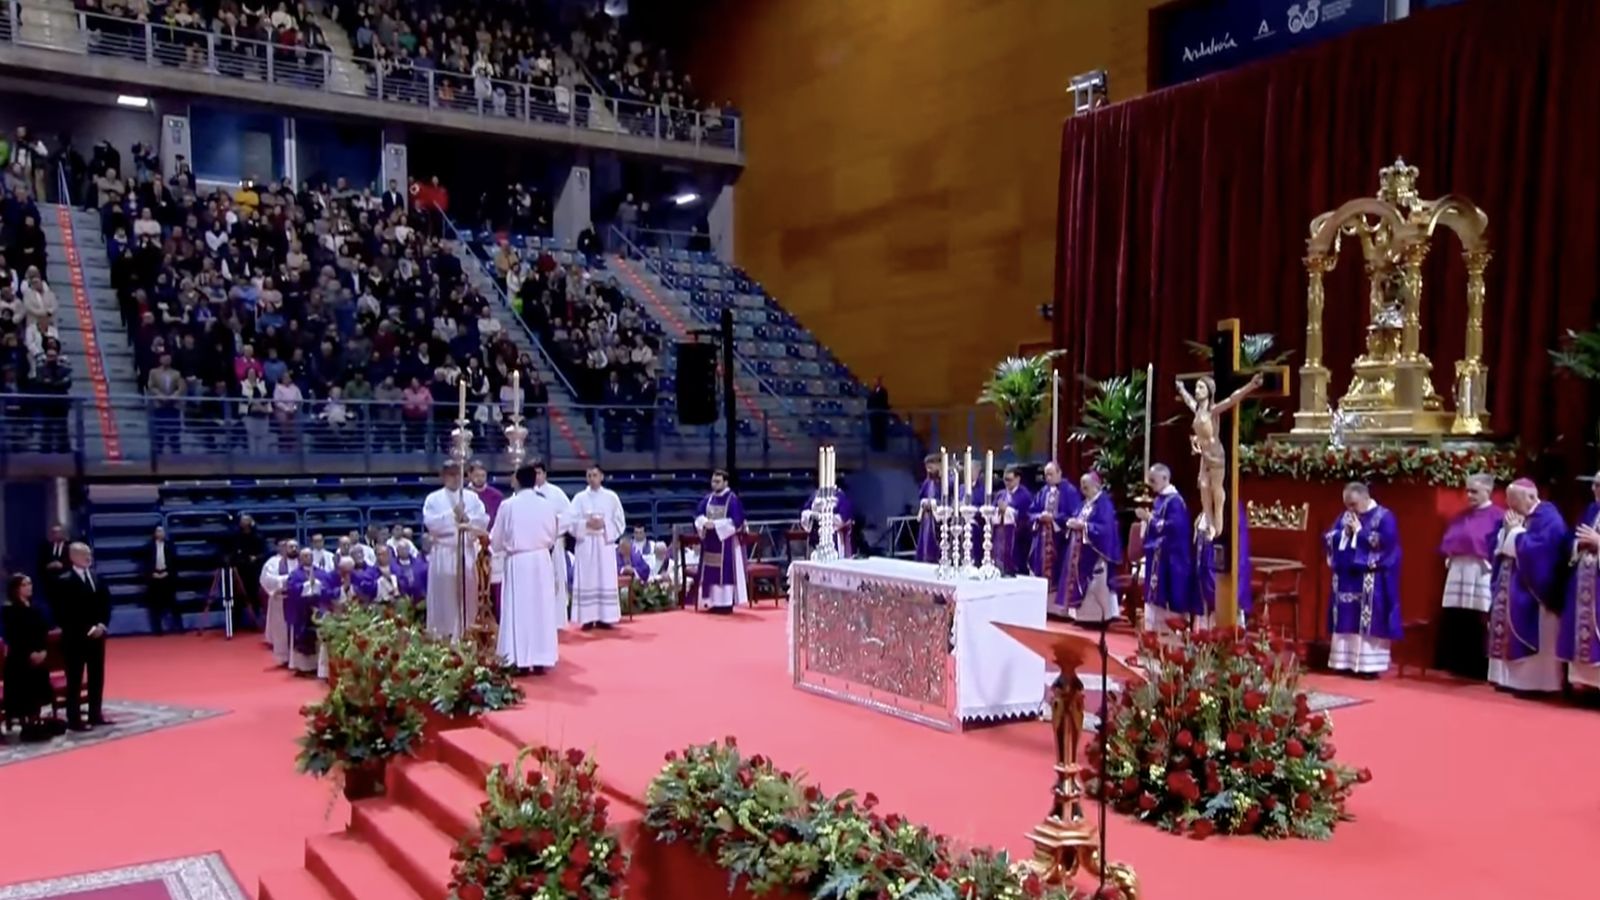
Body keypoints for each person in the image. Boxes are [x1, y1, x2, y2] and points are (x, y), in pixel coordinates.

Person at [1486, 478, 1566, 694]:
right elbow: (1495, 543)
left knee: (1536, 635)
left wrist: (1515, 533)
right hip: (1512, 586)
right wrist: (1505, 532)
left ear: (1532, 497)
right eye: (1508, 501)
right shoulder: (1518, 516)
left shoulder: (1549, 518)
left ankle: (1538, 684)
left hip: (1535, 593)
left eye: (1515, 501)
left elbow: (1544, 552)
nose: (1510, 507)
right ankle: (1509, 680)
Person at [1323, 482, 1403, 678]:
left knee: (1368, 621)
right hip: (1347, 578)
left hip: (1372, 579)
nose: (1350, 510)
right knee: (1346, 618)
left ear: (1366, 498)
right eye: (1347, 505)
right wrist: (1343, 534)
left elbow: (1387, 544)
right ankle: (1343, 663)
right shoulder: (1346, 516)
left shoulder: (1384, 516)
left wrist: (1360, 532)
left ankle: (1367, 667)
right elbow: (1330, 536)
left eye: (1354, 505)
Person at [492, 464, 563, 674]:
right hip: (541, 559)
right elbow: (552, 535)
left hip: (518, 560)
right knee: (541, 609)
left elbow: (497, 539)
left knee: (520, 610)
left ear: (518, 480)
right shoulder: (547, 505)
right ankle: (542, 658)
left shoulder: (508, 505)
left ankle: (519, 659)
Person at [1175, 372, 1264, 539]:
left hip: (1216, 456)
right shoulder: (1196, 410)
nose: (1197, 390)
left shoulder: (1213, 411)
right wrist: (1181, 389)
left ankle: (1218, 523)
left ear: (1209, 391)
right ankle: (1208, 521)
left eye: (1201, 387)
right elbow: (1188, 400)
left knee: (1216, 489)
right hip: (1204, 456)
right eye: (1196, 387)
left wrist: (1251, 385)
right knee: (1203, 486)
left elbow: (1232, 399)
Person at [1435, 474, 1502, 679]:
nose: (1469, 495)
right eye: (1468, 490)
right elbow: (1450, 541)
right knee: (1457, 615)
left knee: (1478, 619)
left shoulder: (1498, 516)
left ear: (1488, 491)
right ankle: (1456, 663)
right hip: (1458, 569)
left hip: (1480, 571)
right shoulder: (1461, 516)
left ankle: (1477, 667)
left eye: (1474, 491)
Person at [422, 461, 490, 640]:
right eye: (450, 474)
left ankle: (467, 631)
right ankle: (443, 634)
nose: (454, 478)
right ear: (443, 476)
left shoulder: (472, 497)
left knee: (467, 594)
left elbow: (482, 521)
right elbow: (431, 524)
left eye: (457, 474)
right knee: (444, 596)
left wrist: (467, 520)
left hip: (465, 551)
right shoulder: (433, 499)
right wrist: (452, 514)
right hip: (444, 552)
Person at [55, 543, 112, 730]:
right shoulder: (63, 581)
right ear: (73, 557)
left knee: (97, 676)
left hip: (97, 637)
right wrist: (88, 629)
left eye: (89, 554)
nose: (89, 557)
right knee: (75, 679)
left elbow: (106, 604)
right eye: (84, 554)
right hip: (75, 639)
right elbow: (64, 613)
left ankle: (95, 713)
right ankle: (74, 718)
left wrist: (102, 625)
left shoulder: (97, 577)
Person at [2, 574, 62, 741]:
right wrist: (30, 653)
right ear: (16, 588)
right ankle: (26, 725)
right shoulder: (10, 610)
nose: (29, 586)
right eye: (24, 584)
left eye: (30, 583)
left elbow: (43, 632)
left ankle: (37, 722)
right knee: (24, 690)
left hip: (39, 657)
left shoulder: (35, 609)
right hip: (20, 659)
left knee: (39, 688)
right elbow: (14, 636)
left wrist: (43, 651)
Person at [565, 464, 625, 630]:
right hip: (586, 544)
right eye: (589, 475)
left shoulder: (611, 497)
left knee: (605, 578)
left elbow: (620, 522)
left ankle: (606, 617)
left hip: (604, 544)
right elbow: (570, 522)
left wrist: (604, 524)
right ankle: (587, 618)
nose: (592, 478)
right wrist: (586, 523)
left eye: (595, 475)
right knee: (587, 579)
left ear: (602, 477)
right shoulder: (579, 498)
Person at [1137, 463, 1195, 633]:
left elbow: (1176, 528)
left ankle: (1168, 634)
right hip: (1158, 555)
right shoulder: (1160, 498)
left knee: (1168, 596)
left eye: (1153, 480)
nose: (1151, 484)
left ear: (1165, 478)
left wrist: (1149, 519)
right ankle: (1154, 633)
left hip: (1171, 558)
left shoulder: (1175, 501)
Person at [1057, 472, 1121, 625]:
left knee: (1096, 584)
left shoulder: (1104, 504)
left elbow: (1106, 529)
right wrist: (1071, 522)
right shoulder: (1085, 503)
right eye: (1082, 485)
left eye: (1086, 485)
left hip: (1095, 553)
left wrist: (1084, 526)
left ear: (1096, 485)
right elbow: (1076, 516)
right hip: (1079, 549)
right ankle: (1082, 616)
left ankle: (1100, 617)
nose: (1083, 488)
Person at [1559, 471, 1600, 690]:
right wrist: (1579, 545)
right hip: (1584, 581)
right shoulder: (1591, 510)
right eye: (1594, 485)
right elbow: (1573, 540)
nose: (1594, 490)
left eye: (1599, 486)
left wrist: (1598, 542)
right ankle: (1585, 686)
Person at [695, 468, 748, 613]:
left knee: (725, 571)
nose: (714, 484)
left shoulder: (732, 500)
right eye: (713, 481)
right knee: (710, 571)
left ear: (725, 482)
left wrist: (716, 525)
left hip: (726, 542)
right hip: (710, 542)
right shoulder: (708, 499)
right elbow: (698, 514)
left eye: (718, 482)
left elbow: (736, 521)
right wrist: (704, 522)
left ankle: (725, 603)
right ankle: (711, 602)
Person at [530, 460, 571, 616]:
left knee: (556, 579)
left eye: (539, 473)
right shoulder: (526, 493)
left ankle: (558, 617)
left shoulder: (556, 493)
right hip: (534, 545)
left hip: (554, 541)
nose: (537, 477)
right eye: (534, 473)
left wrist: (553, 527)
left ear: (545, 474)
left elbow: (568, 515)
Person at [1030, 462, 1082, 584]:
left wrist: (1054, 517)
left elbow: (1075, 514)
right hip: (1043, 536)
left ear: (1059, 473)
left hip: (1061, 536)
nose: (1048, 478)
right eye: (1046, 475)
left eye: (1051, 474)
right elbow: (1031, 511)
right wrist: (1039, 517)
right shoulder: (1043, 491)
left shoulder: (1070, 491)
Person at [283, 548, 332, 677]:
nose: (307, 558)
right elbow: (292, 589)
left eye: (309, 556)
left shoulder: (321, 573)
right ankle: (304, 667)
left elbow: (327, 587)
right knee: (303, 637)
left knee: (319, 637)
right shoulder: (295, 574)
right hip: (301, 610)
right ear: (300, 558)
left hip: (318, 608)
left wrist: (317, 585)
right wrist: (306, 585)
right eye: (304, 556)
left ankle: (318, 667)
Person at [259, 539, 298, 666]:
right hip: (280, 599)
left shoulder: (300, 561)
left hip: (296, 601)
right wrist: (287, 580)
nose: (292, 549)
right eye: (288, 546)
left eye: (294, 546)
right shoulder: (272, 562)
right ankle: (284, 658)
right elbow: (266, 579)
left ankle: (296, 658)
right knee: (281, 631)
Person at [139, 524, 184, 635]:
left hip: (167, 577)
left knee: (173, 603)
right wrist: (151, 574)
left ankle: (180, 627)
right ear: (154, 533)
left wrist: (167, 573)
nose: (161, 533)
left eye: (162, 531)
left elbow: (175, 563)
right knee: (155, 605)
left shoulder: (170, 546)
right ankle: (157, 630)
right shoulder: (148, 547)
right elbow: (145, 564)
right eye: (158, 531)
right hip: (154, 578)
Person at [992, 465, 1033, 576]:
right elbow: (992, 511)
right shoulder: (1001, 494)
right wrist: (998, 511)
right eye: (1005, 480)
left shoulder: (1025, 495)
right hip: (1000, 536)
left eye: (1009, 480)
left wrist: (1008, 511)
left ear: (1017, 479)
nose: (1006, 483)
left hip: (1017, 538)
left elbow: (1026, 516)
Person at [800, 478, 853, 557]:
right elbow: (804, 512)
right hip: (815, 536)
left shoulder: (841, 497)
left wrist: (822, 517)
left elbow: (842, 519)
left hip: (834, 538)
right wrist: (812, 515)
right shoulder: (815, 495)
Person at [915, 454, 943, 562]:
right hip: (927, 518)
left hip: (938, 520)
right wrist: (924, 503)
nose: (928, 471)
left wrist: (934, 504)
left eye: (931, 468)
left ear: (939, 466)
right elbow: (922, 497)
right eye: (927, 468)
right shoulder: (927, 482)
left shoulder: (946, 482)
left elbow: (949, 500)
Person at [392, 538, 428, 606]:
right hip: (402, 598)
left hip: (419, 597)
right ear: (397, 551)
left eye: (405, 548)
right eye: (401, 549)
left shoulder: (419, 563)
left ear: (409, 549)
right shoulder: (393, 565)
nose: (403, 551)